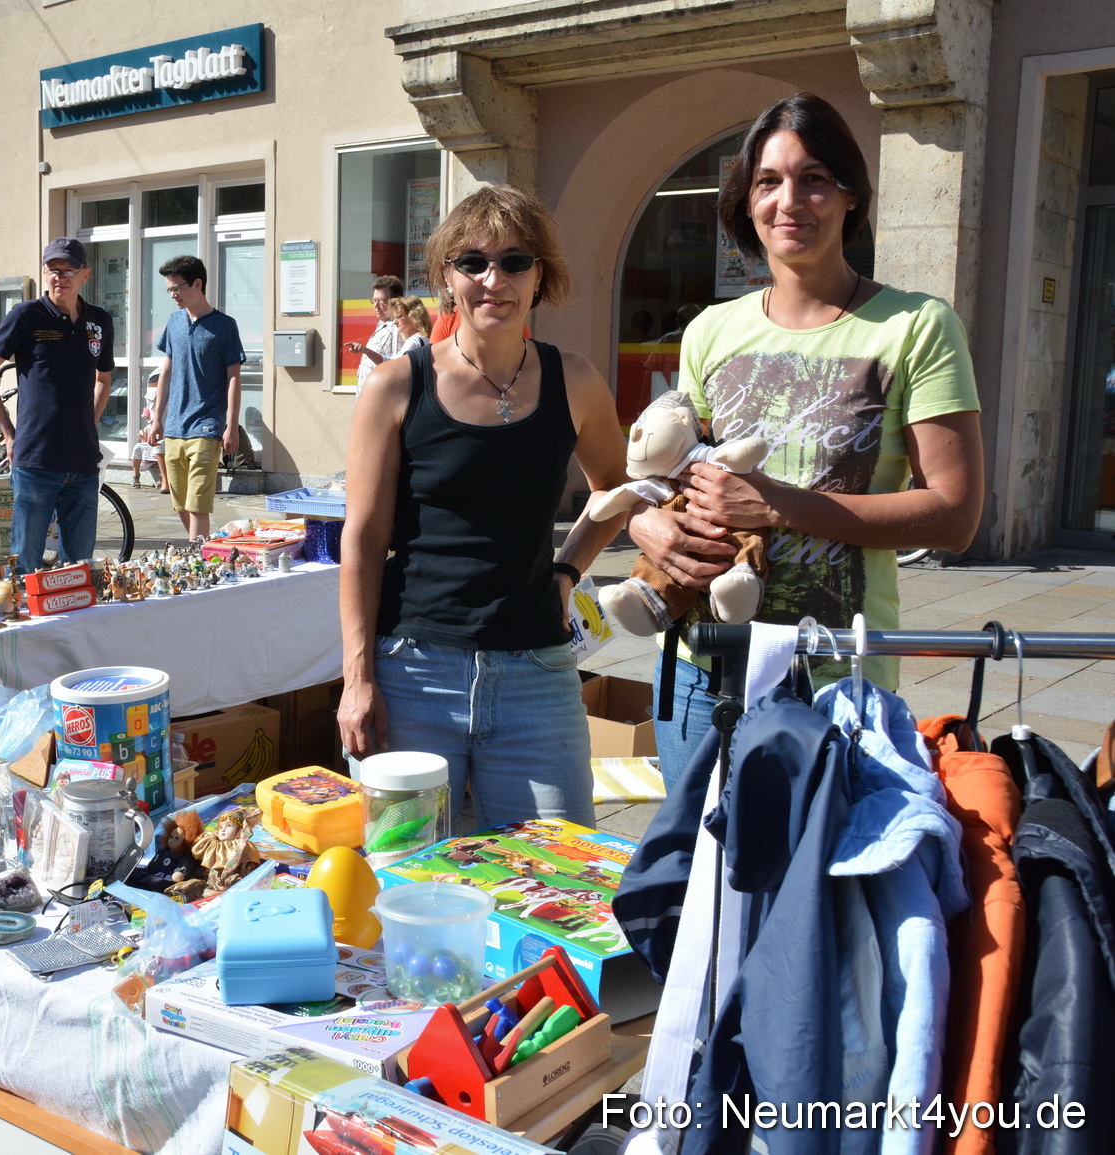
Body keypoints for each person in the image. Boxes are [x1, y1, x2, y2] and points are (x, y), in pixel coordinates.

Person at [629, 92, 984, 785]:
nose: (789, 201)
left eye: (813, 178)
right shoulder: (711, 331)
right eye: (768, 181)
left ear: (850, 196)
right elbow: (672, 474)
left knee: (820, 859)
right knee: (697, 858)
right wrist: (645, 523)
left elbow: (954, 515)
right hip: (705, 668)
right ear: (747, 201)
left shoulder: (916, 327)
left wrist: (777, 506)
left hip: (836, 677)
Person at [337, 184, 629, 830]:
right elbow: (362, 539)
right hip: (414, 673)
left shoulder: (574, 380)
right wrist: (357, 677)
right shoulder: (397, 385)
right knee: (410, 875)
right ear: (447, 277)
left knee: (556, 873)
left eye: (515, 261)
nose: (493, 279)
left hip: (537, 673)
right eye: (472, 262)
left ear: (539, 276)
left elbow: (616, 489)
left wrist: (567, 570)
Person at [0, 237, 113, 573]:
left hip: (83, 463)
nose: (59, 277)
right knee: (26, 567)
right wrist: (8, 433)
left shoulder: (99, 321)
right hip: (36, 461)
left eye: (68, 270)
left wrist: (89, 425)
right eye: (52, 270)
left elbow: (104, 379)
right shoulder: (26, 316)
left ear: (86, 274)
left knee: (80, 569)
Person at [151, 254, 245, 544]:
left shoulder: (224, 326)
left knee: (197, 504)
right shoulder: (174, 322)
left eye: (177, 288)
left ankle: (197, 559)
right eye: (169, 290)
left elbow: (234, 377)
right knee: (180, 504)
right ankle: (204, 548)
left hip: (207, 426)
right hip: (175, 427)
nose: (173, 295)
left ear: (197, 284)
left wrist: (231, 425)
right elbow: (166, 372)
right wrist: (156, 418)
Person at [342, 275, 403, 386]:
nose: (376, 305)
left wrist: (366, 351)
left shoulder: (397, 327)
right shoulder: (382, 324)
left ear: (396, 301)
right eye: (374, 300)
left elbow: (396, 368)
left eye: (381, 301)